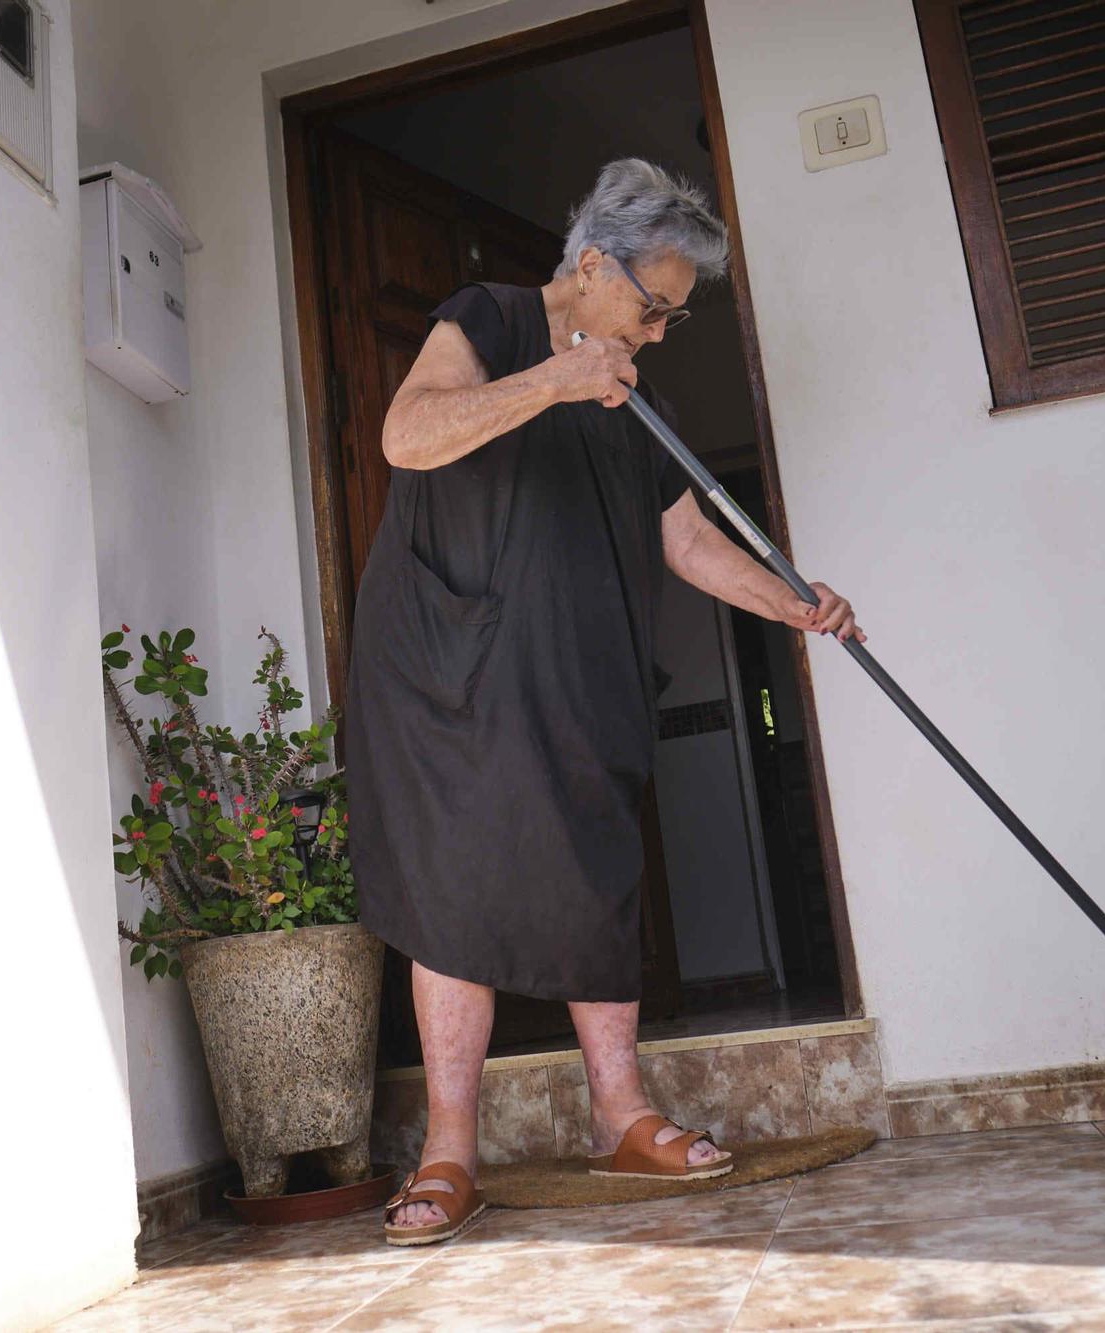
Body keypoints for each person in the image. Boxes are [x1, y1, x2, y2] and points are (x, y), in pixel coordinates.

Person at [344, 159, 864, 1245]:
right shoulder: (486, 317)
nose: (660, 333)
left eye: (672, 315)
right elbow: (408, 435)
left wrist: (792, 603)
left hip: (574, 664)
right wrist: (554, 379)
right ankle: (449, 1152)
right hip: (442, 659)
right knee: (450, 885)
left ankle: (619, 1115)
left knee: (593, 863)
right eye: (653, 306)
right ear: (590, 268)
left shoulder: (635, 394)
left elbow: (683, 539)